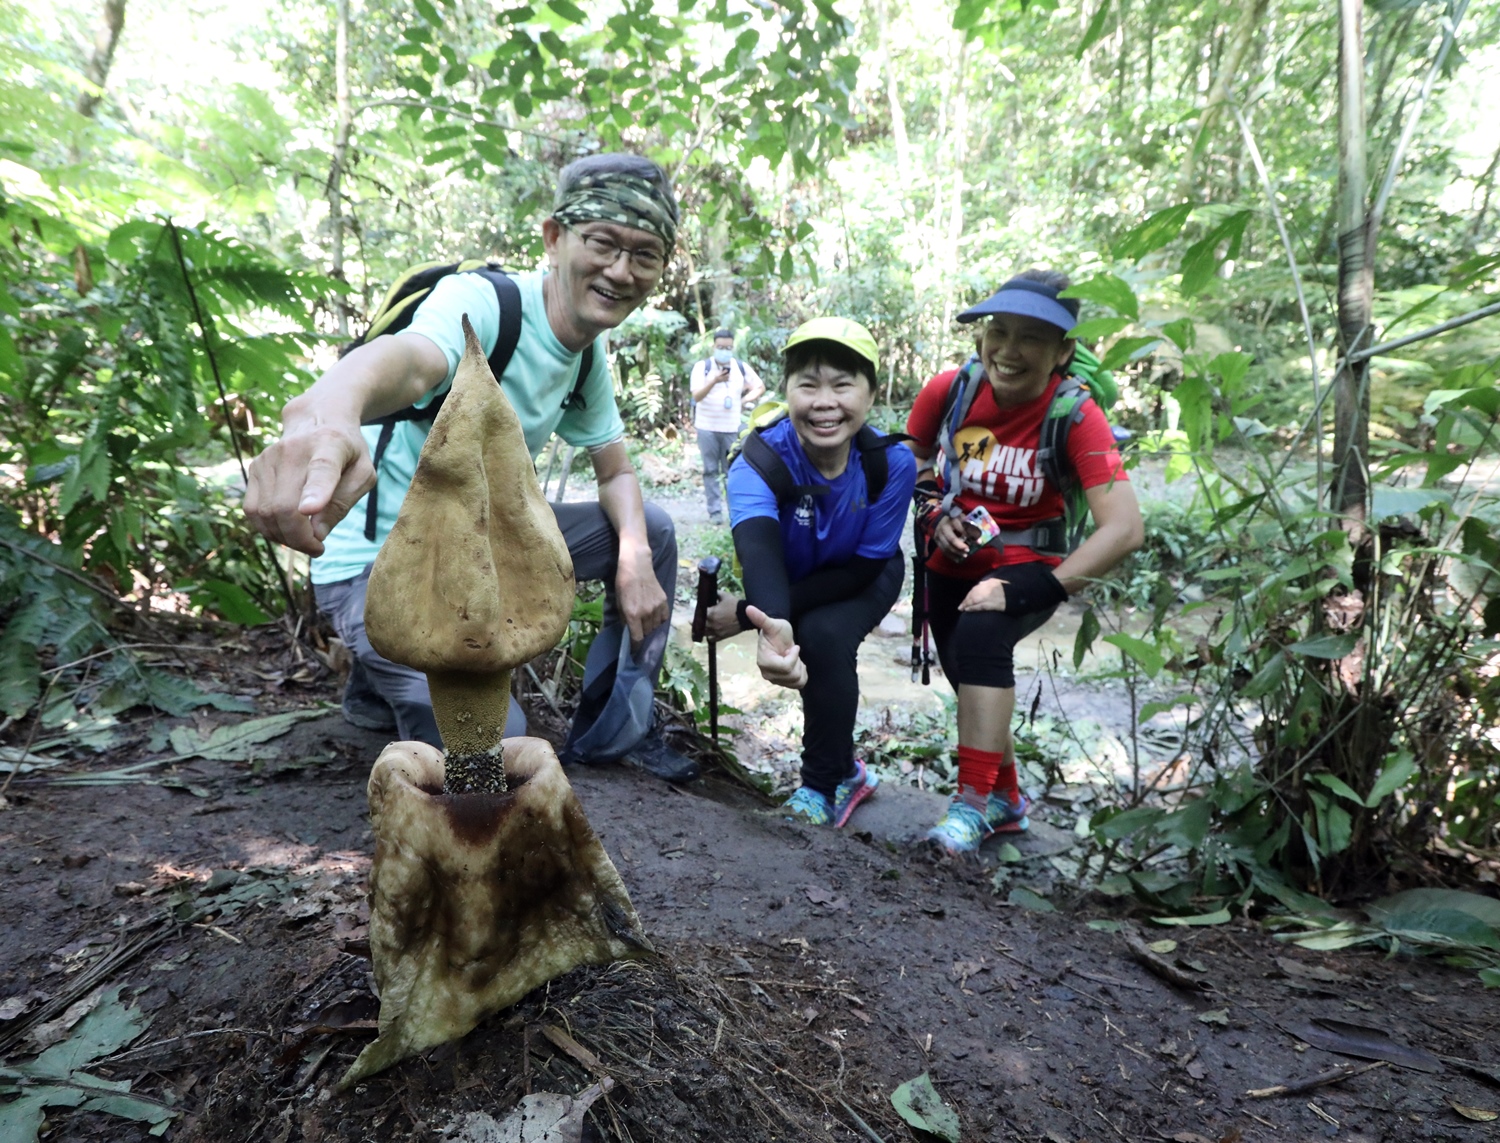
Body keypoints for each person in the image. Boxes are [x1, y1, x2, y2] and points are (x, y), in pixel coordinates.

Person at [244, 153, 700, 783]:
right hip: (381, 568)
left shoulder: (585, 356)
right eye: (603, 243)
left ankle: (616, 730)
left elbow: (616, 473)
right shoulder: (483, 305)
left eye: (645, 254)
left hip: (475, 547)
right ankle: (384, 669)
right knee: (490, 761)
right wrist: (328, 412)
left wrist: (635, 560)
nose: (621, 270)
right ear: (554, 237)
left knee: (649, 528)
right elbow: (410, 362)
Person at [906, 271, 1144, 853]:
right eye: (999, 331)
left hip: (1028, 560)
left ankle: (969, 806)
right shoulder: (951, 390)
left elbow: (1126, 528)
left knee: (985, 638)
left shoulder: (1075, 415)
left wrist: (1031, 591)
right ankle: (1006, 801)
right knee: (970, 678)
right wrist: (934, 511)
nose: (1008, 351)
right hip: (949, 559)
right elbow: (910, 457)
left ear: (1064, 350)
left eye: (1032, 338)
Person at [705, 318, 916, 826]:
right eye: (808, 384)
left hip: (866, 573)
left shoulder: (892, 463)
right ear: (787, 392)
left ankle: (822, 787)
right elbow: (759, 553)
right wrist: (769, 621)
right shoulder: (757, 460)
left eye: (843, 384)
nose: (825, 402)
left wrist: (745, 615)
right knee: (805, 631)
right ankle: (847, 770)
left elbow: (863, 569)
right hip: (794, 574)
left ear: (870, 393)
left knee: (822, 637)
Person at [689, 327, 764, 524]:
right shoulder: (702, 367)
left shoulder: (740, 367)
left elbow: (759, 386)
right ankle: (714, 512)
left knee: (733, 471)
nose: (724, 350)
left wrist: (744, 400)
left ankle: (735, 511)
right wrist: (714, 380)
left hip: (731, 428)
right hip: (706, 427)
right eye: (721, 347)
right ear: (713, 346)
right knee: (710, 470)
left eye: (728, 347)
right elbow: (696, 396)